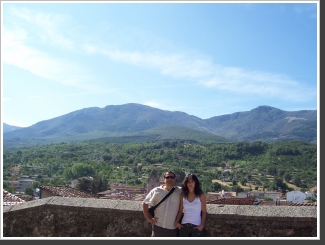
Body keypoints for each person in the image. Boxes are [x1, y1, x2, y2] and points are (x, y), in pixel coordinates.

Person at [142, 170, 182, 237]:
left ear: (175, 179)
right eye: (167, 177)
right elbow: (145, 203)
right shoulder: (156, 190)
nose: (169, 179)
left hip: (172, 227)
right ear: (164, 179)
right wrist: (148, 218)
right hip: (158, 226)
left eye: (172, 177)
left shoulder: (180, 191)